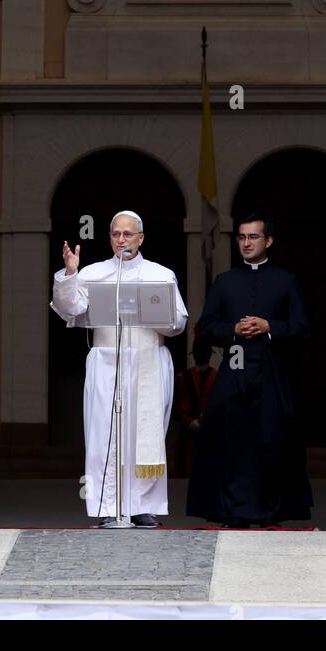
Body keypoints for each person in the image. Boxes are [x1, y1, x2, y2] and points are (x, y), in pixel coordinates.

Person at [50, 211, 187, 528]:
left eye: (128, 234)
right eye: (116, 234)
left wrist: (154, 312)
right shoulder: (93, 273)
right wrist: (70, 274)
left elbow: (179, 322)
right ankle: (107, 504)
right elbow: (69, 309)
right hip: (107, 363)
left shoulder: (160, 274)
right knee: (104, 436)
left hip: (148, 360)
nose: (122, 239)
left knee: (143, 435)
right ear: (110, 237)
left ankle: (143, 506)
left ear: (141, 238)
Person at [186, 211, 312, 528]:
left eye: (253, 237)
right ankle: (235, 512)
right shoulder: (225, 282)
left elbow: (301, 329)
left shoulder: (286, 281)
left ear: (268, 241)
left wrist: (270, 326)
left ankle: (270, 513)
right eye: (242, 237)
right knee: (232, 442)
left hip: (273, 373)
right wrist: (234, 330)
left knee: (273, 441)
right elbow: (205, 327)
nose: (246, 243)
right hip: (234, 371)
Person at [174, 336, 217, 476]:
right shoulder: (182, 378)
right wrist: (189, 422)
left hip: (210, 434)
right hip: (187, 437)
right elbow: (175, 408)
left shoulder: (216, 378)